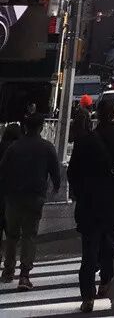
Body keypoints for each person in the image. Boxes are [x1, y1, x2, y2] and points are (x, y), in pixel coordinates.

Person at [68, 97, 114, 313]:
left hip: (88, 201)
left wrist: (80, 192)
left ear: (97, 114)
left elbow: (72, 173)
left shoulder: (84, 141)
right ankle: (106, 277)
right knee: (108, 243)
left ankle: (87, 296)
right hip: (112, 200)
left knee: (88, 251)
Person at [0, 114, 60, 291]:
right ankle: (24, 275)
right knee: (29, 235)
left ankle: (8, 270)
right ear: (41, 127)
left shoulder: (14, 147)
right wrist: (55, 187)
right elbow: (55, 171)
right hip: (35, 196)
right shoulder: (46, 147)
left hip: (13, 197)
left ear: (25, 127)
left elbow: (2, 170)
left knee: (12, 235)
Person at [0, 125, 21, 248]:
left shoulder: (1, 146)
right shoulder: (17, 149)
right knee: (11, 229)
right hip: (12, 193)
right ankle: (10, 255)